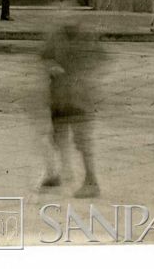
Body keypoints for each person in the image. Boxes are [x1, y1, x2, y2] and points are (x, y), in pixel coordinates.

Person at [40, 20, 102, 197]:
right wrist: (51, 66)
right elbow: (45, 56)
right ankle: (55, 173)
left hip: (78, 96)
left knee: (82, 140)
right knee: (57, 136)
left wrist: (82, 73)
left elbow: (98, 58)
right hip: (59, 94)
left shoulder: (86, 36)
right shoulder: (56, 33)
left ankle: (92, 181)